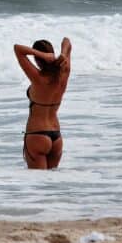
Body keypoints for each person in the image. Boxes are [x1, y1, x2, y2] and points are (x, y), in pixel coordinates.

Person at [13, 37, 71, 169]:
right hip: (56, 136)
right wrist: (62, 54)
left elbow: (17, 48)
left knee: (39, 185)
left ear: (37, 59)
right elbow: (67, 41)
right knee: (51, 184)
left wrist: (41, 54)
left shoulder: (37, 78)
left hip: (37, 135)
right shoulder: (64, 73)